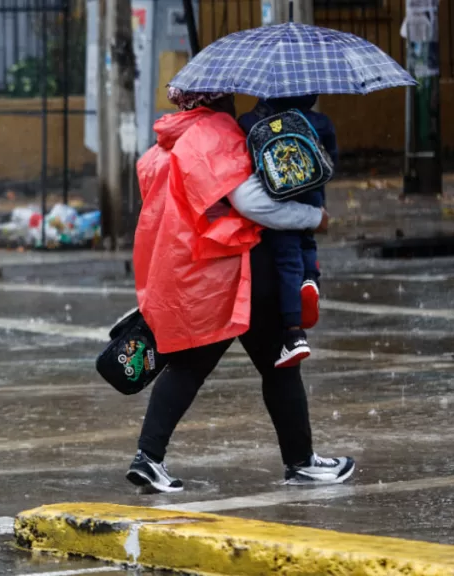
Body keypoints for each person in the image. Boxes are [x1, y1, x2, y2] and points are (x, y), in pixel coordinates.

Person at [126, 88, 355, 493]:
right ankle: (300, 462)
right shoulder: (214, 133)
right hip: (230, 271)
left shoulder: (170, 139)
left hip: (193, 269)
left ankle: (149, 457)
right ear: (218, 98)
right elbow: (250, 203)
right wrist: (312, 216)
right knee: (278, 365)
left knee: (190, 366)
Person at [238, 95, 339, 368]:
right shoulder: (321, 122)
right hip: (312, 197)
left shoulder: (251, 122)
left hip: (278, 199)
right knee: (307, 244)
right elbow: (331, 162)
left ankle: (294, 331)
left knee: (286, 260)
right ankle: (311, 280)